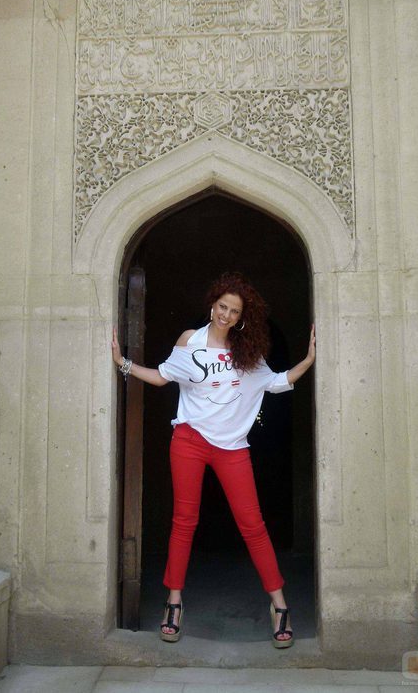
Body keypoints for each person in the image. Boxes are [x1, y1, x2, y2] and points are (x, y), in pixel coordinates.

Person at [111, 271, 316, 648]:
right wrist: (123, 362)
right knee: (184, 521)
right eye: (223, 306)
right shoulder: (190, 342)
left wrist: (307, 360)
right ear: (212, 305)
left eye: (234, 311)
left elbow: (275, 383)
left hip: (232, 447)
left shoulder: (247, 352)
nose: (226, 314)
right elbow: (161, 377)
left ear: (241, 317)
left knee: (252, 524)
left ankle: (279, 606)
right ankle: (174, 601)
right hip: (189, 440)